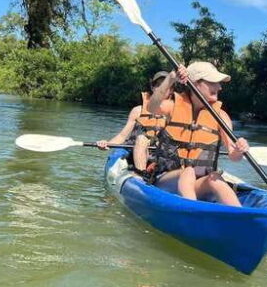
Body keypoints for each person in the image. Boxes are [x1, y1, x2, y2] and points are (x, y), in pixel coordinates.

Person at [148, 61, 249, 206]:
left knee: (215, 178)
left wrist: (240, 149)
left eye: (219, 83)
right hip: (166, 180)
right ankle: (192, 211)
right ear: (195, 83)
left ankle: (241, 217)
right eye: (213, 82)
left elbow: (234, 156)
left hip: (196, 183)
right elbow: (151, 107)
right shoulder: (173, 106)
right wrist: (170, 78)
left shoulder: (221, 116)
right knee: (187, 171)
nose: (219, 87)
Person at [96, 71, 171, 173]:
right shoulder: (138, 111)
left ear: (171, 90)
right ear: (152, 88)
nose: (161, 89)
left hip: (160, 156)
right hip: (136, 152)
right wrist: (107, 144)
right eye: (158, 85)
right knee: (141, 139)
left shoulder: (175, 113)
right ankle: (141, 175)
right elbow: (122, 136)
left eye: (166, 85)